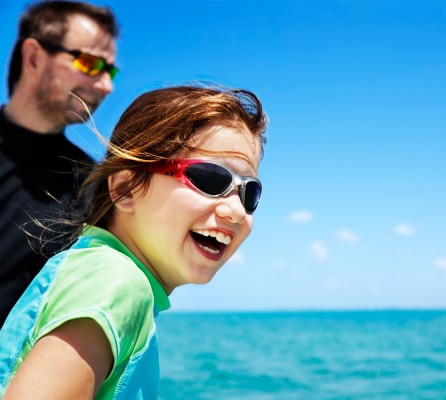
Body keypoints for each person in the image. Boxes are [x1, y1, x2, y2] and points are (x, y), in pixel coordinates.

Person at [0, 85, 268, 398]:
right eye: (210, 179)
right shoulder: (118, 283)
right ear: (127, 190)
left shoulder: (97, 269)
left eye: (250, 194)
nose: (236, 211)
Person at [0, 1, 119, 326]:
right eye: (91, 64)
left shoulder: (91, 182)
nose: (107, 85)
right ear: (34, 57)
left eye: (111, 71)